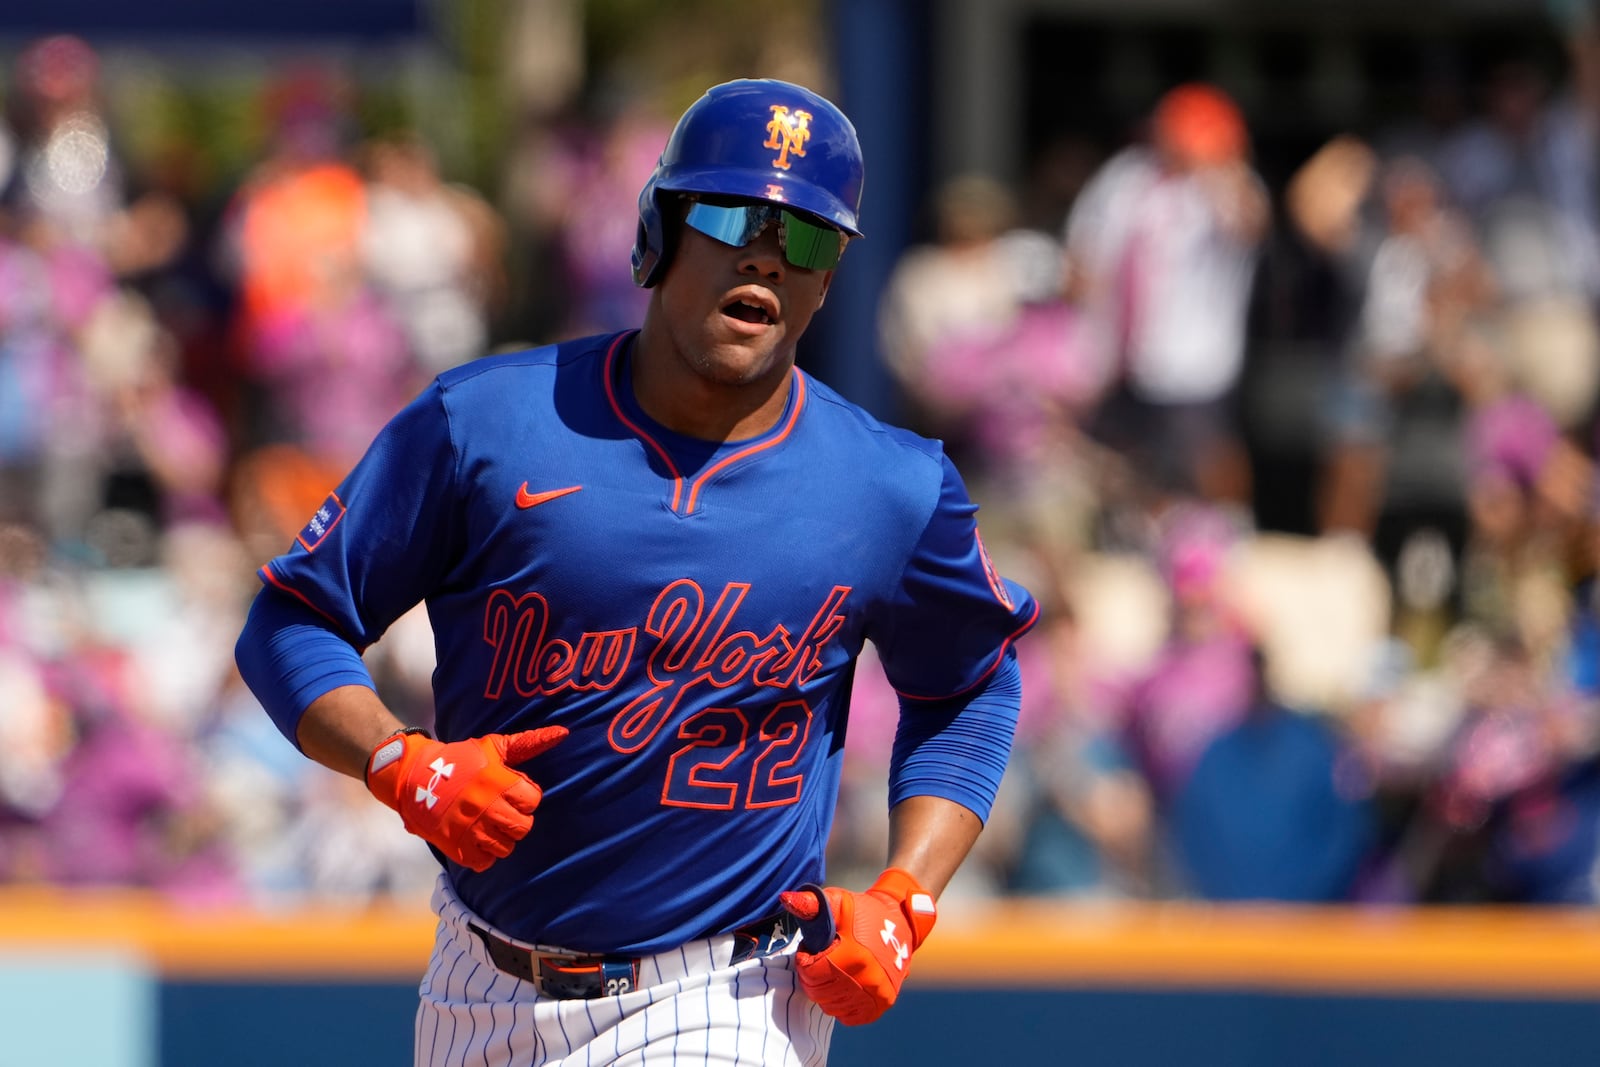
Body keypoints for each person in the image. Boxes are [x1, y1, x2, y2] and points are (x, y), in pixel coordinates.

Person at [234, 78, 1038, 1066]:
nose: (768, 256)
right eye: (735, 214)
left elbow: (966, 688)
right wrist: (397, 757)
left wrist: (905, 896)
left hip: (727, 988)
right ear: (658, 232)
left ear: (830, 280)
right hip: (477, 982)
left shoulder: (890, 485)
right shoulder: (487, 423)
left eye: (809, 238)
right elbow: (290, 616)